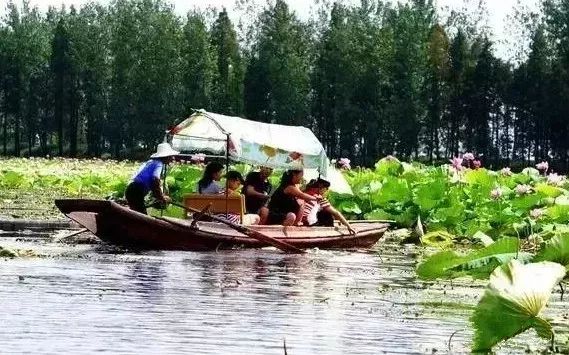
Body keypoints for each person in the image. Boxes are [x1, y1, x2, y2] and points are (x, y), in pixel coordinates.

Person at [124, 142, 179, 214]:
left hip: (132, 189)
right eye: (171, 156)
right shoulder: (159, 164)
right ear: (166, 156)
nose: (172, 158)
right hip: (136, 191)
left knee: (137, 213)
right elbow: (154, 179)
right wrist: (161, 197)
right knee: (141, 217)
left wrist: (159, 196)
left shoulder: (151, 162)